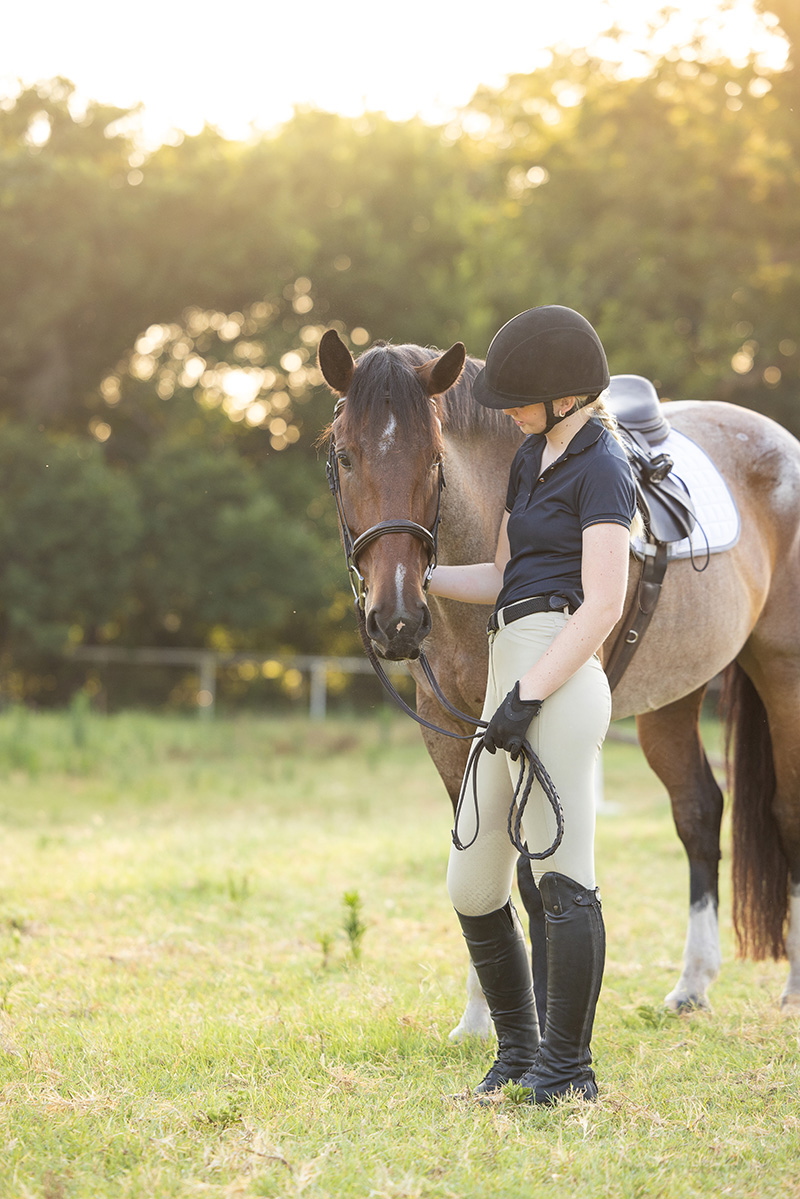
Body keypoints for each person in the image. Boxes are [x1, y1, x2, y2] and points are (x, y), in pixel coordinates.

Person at [428, 304, 636, 1104]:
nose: (508, 409)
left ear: (563, 395)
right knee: (473, 880)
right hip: (509, 663)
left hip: (561, 677)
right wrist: (419, 579)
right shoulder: (528, 460)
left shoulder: (603, 466)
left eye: (520, 398)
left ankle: (567, 1066)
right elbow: (500, 580)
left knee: (561, 874)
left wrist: (531, 693)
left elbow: (604, 602)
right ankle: (517, 1049)